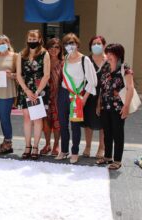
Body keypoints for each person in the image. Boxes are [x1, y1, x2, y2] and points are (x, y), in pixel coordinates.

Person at [55, 33, 97, 164]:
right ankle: (64, 150)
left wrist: (84, 98)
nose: (70, 46)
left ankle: (74, 152)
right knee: (62, 123)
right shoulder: (65, 58)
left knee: (75, 126)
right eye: (67, 43)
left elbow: (92, 81)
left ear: (77, 44)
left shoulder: (85, 60)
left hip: (77, 96)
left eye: (72, 43)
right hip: (63, 93)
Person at [96, 43, 136, 170]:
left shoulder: (125, 68)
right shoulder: (105, 67)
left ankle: (117, 160)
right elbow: (101, 88)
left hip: (118, 106)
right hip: (105, 105)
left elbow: (130, 88)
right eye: (107, 53)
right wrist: (98, 104)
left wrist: (126, 107)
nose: (108, 55)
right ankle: (108, 156)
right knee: (107, 131)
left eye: (111, 53)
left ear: (118, 55)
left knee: (118, 133)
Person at [16, 30, 50, 160]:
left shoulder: (44, 54)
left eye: (34, 39)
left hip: (39, 89)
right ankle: (27, 146)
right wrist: (26, 90)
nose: (32, 41)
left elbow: (46, 75)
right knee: (26, 118)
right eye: (29, 39)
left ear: (40, 39)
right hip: (26, 89)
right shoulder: (21, 54)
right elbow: (18, 74)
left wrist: (36, 92)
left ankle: (35, 146)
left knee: (37, 119)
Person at [0, 35, 18, 154]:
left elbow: (19, 75)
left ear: (8, 43)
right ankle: (6, 140)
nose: (1, 45)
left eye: (3, 43)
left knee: (5, 118)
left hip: (7, 91)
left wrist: (11, 75)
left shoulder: (15, 56)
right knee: (1, 118)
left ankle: (8, 142)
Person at [82, 35, 107, 159]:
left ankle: (101, 147)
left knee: (103, 122)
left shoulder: (108, 60)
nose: (96, 46)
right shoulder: (86, 60)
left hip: (104, 95)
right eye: (93, 44)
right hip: (88, 93)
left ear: (104, 45)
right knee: (88, 121)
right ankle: (88, 146)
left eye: (99, 43)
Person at [39, 38, 63, 156]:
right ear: (46, 49)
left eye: (57, 47)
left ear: (60, 49)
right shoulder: (42, 61)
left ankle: (56, 145)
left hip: (58, 97)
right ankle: (47, 144)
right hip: (44, 96)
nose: (54, 49)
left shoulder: (64, 63)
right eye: (51, 47)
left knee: (57, 122)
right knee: (45, 122)